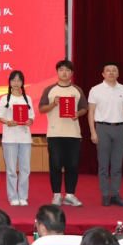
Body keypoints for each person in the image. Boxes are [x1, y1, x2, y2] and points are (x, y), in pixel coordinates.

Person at [39, 60, 88, 208]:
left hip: (73, 134)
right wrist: (53, 104)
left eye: (67, 70)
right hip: (55, 134)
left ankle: (70, 195)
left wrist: (78, 114)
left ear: (71, 73)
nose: (64, 72)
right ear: (57, 72)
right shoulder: (50, 90)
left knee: (72, 166)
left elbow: (84, 108)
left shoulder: (77, 90)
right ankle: (56, 195)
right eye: (61, 70)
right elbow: (41, 109)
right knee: (55, 165)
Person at [88, 62, 123, 207]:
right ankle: (105, 195)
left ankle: (115, 194)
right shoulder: (95, 90)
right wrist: (93, 131)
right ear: (103, 74)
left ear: (118, 74)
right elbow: (91, 112)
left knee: (117, 165)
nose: (111, 73)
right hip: (102, 128)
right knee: (103, 165)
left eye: (114, 70)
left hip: (120, 129)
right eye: (108, 70)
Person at [0, 71, 36, 206]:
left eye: (19, 80)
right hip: (9, 139)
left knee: (25, 169)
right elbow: (0, 116)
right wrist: (8, 122)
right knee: (11, 170)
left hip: (25, 138)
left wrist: (30, 121)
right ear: (9, 82)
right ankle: (13, 196)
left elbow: (31, 116)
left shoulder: (27, 98)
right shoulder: (4, 99)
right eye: (13, 80)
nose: (16, 83)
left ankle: (23, 196)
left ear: (22, 82)